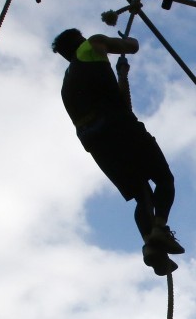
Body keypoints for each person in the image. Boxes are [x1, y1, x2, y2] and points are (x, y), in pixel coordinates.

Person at [52, 28, 184, 276]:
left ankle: (150, 246)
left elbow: (123, 103)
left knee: (141, 194)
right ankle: (159, 228)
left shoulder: (67, 85)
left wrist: (121, 75)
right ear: (80, 40)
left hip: (95, 139)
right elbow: (131, 45)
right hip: (119, 126)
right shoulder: (92, 44)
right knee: (164, 179)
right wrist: (123, 46)